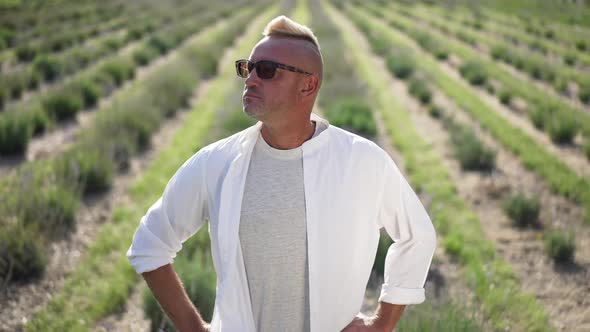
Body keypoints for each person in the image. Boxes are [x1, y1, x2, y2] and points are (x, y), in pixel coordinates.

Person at [127, 15, 437, 332]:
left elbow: (417, 236)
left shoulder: (363, 160)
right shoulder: (216, 162)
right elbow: (150, 242)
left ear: (308, 84)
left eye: (267, 70)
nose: (250, 79)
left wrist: (382, 324)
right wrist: (194, 328)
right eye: (248, 68)